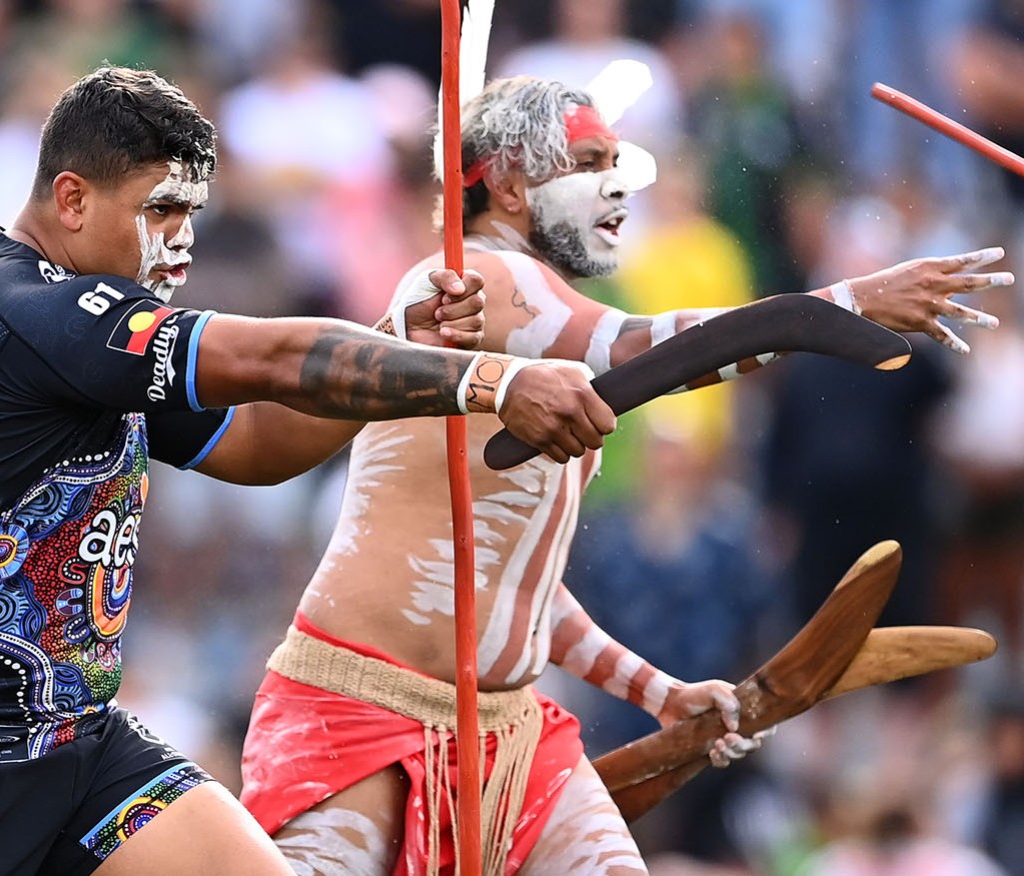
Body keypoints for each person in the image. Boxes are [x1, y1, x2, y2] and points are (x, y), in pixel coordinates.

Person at [0, 66, 617, 876]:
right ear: (73, 197)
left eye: (193, 213)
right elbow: (271, 356)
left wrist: (398, 345)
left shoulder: (87, 332)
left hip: (76, 741)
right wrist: (488, 381)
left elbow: (258, 443)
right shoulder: (25, 304)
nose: (183, 241)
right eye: (160, 209)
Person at [237, 75, 1012, 875]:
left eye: (616, 158)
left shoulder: (530, 313)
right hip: (360, 706)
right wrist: (843, 303)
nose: (616, 182)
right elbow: (641, 349)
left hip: (508, 729)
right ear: (505, 183)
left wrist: (657, 692)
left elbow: (518, 587)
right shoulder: (473, 284)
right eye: (586, 160)